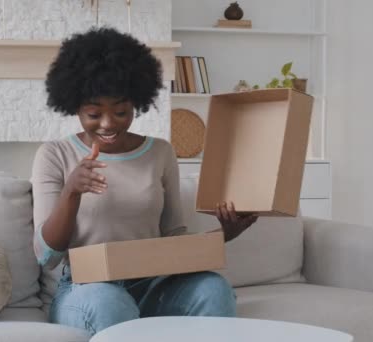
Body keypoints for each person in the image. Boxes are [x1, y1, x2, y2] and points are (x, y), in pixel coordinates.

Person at [31, 26, 258, 336]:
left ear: (136, 102)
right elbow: (46, 256)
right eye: (94, 114)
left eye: (121, 112)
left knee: (212, 287)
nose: (109, 124)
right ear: (75, 107)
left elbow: (174, 237)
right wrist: (72, 191)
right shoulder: (55, 154)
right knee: (110, 301)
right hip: (86, 288)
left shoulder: (160, 152)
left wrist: (225, 234)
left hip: (153, 282)